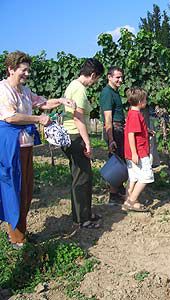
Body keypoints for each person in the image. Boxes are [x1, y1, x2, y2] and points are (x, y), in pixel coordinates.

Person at [0, 51, 75, 248]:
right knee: (14, 189)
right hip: (11, 147)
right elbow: (11, 117)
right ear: (11, 69)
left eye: (28, 71)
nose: (27, 74)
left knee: (26, 189)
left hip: (25, 145)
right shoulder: (3, 90)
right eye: (23, 70)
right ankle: (16, 238)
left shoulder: (24, 91)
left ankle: (21, 232)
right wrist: (38, 119)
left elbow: (41, 103)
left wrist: (60, 100)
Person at [62, 58, 104, 229]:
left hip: (70, 135)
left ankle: (85, 213)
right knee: (82, 178)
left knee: (82, 175)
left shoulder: (72, 85)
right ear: (93, 75)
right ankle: (82, 219)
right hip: (75, 136)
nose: (95, 82)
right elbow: (78, 119)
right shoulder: (80, 90)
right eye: (97, 78)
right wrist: (87, 142)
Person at [122, 87, 154, 212]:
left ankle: (127, 201)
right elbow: (131, 134)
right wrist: (135, 153)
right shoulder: (136, 115)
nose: (146, 101)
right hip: (139, 152)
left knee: (133, 177)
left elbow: (135, 131)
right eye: (145, 99)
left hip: (131, 152)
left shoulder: (131, 113)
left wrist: (147, 132)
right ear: (140, 101)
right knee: (146, 176)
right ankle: (132, 200)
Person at [99, 66, 125, 205]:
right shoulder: (107, 93)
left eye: (121, 77)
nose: (120, 80)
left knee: (120, 160)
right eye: (117, 77)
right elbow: (107, 119)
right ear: (109, 77)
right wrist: (111, 139)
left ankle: (119, 191)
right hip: (113, 130)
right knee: (116, 163)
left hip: (118, 129)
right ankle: (113, 196)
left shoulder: (115, 92)